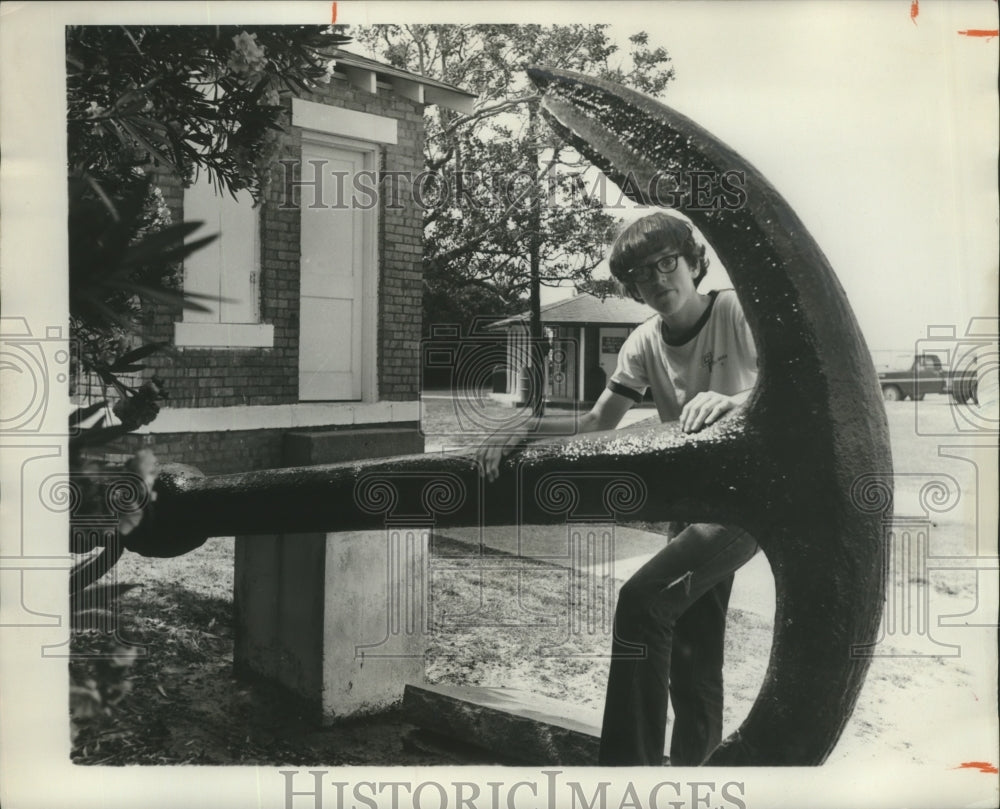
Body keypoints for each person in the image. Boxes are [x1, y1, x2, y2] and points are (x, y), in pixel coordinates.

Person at [477, 211, 759, 766]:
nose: (658, 280)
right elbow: (597, 423)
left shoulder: (734, 311)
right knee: (692, 653)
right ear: (631, 288)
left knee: (642, 602)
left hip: (746, 502)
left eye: (667, 263)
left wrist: (736, 402)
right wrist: (527, 424)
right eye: (641, 274)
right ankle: (693, 782)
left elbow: (793, 388)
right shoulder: (643, 341)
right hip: (695, 504)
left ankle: (627, 777)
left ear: (694, 262)